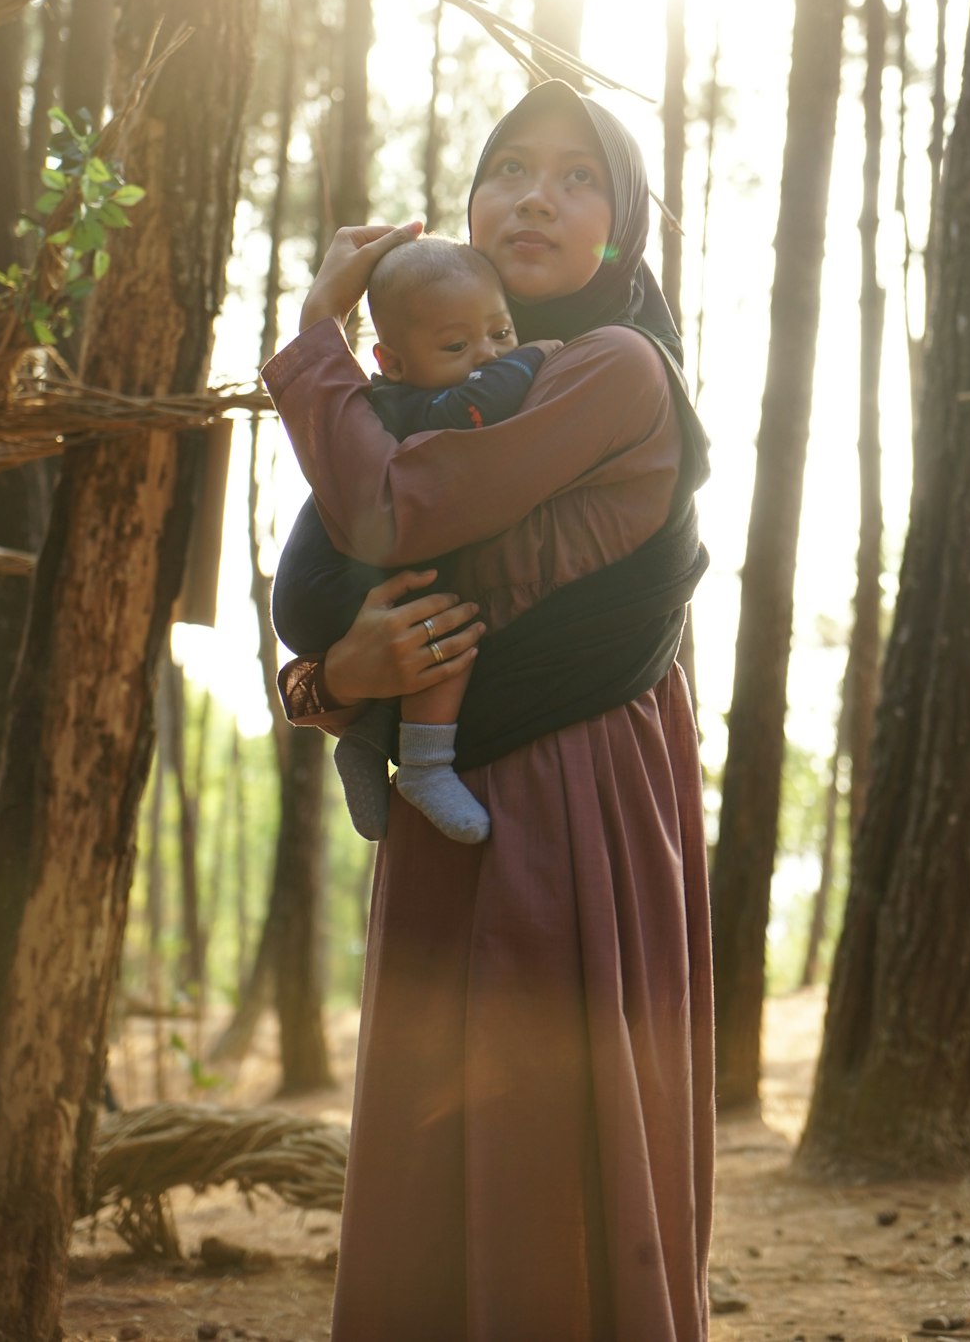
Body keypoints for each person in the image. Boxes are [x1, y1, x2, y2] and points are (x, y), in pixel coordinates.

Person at [263, 79, 714, 1342]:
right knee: (431, 1159)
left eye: (580, 177)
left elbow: (394, 514)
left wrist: (314, 341)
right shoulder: (414, 399)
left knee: (545, 1155)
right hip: (435, 799)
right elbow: (335, 592)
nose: (537, 193)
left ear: (619, 231)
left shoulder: (614, 368)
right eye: (512, 166)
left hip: (575, 801)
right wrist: (335, 679)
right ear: (464, 208)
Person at [271, 235, 558, 845]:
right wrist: (533, 356)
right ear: (393, 362)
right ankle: (426, 765)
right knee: (452, 612)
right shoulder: (409, 405)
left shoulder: (417, 394)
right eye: (456, 345)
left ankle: (367, 741)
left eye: (500, 333)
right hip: (322, 588)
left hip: (334, 581)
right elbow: (480, 406)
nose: (485, 356)